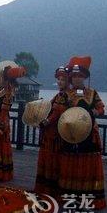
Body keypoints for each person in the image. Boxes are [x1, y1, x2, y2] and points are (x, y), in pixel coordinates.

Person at [59, 56, 106, 209]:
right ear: (71, 78)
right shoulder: (66, 94)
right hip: (71, 133)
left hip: (89, 133)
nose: (77, 79)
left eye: (80, 76)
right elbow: (61, 112)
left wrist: (96, 112)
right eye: (74, 76)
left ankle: (88, 199)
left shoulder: (92, 93)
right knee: (72, 163)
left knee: (87, 164)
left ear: (85, 77)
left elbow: (101, 108)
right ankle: (72, 198)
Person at [34, 66, 70, 197]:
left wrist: (46, 121)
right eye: (59, 79)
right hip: (51, 133)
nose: (60, 81)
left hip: (55, 134)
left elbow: (58, 112)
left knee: (52, 160)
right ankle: (46, 189)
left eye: (63, 79)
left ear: (68, 81)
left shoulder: (64, 96)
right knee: (48, 159)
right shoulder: (59, 95)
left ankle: (50, 190)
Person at [0, 64, 26, 181]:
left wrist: (1, 122)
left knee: (0, 144)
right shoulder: (3, 90)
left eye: (2, 78)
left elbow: (5, 110)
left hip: (1, 120)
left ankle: (0, 172)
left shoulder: (8, 92)